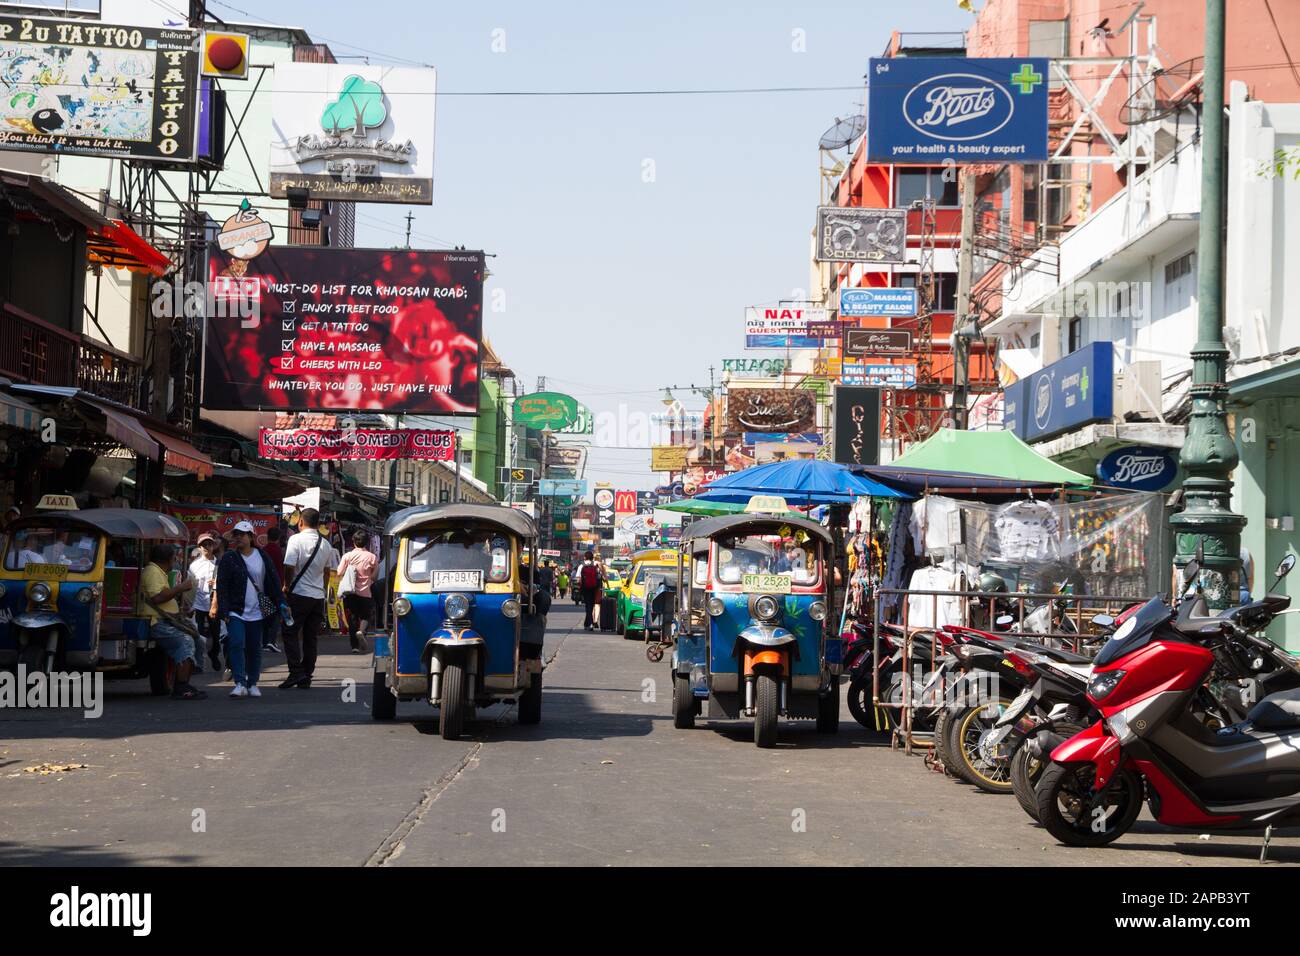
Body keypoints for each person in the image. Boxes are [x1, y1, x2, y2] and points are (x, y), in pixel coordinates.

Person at [216, 520, 283, 698]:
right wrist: (224, 610)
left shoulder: (262, 556)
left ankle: (252, 682)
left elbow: (274, 581)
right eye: (235, 535)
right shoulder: (229, 558)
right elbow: (221, 585)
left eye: (242, 534)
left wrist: (282, 602)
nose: (238, 538)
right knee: (236, 643)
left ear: (251, 537)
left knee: (254, 648)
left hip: (257, 611)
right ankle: (239, 683)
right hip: (235, 610)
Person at [280, 507, 338, 689]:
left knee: (289, 632)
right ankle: (306, 674)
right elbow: (327, 571)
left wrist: (286, 586)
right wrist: (322, 588)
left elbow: (289, 566)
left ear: (300, 522)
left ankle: (296, 672)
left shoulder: (295, 539)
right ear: (318, 523)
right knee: (310, 637)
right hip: (317, 597)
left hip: (299, 594)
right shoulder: (326, 544)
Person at [139, 543, 205, 701]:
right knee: (186, 642)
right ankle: (181, 687)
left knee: (197, 639)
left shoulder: (158, 571)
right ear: (169, 559)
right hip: (158, 622)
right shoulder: (153, 572)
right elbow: (158, 597)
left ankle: (186, 680)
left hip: (168, 619)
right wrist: (180, 587)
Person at [337, 529, 378, 654]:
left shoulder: (347, 556)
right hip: (366, 592)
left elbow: (339, 572)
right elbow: (374, 577)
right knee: (366, 616)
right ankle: (362, 631)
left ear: (353, 541)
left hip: (350, 593)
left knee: (352, 619)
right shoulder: (372, 557)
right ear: (367, 542)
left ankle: (354, 646)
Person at [189, 532, 220, 671]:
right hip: (198, 604)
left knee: (216, 635)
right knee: (199, 635)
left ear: (214, 546)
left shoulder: (219, 564)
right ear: (199, 547)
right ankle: (198, 663)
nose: (207, 547)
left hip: (214, 604)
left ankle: (214, 653)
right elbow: (189, 585)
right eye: (204, 545)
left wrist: (216, 583)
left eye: (209, 544)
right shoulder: (194, 566)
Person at [261, 525, 286, 654]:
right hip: (276, 587)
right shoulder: (278, 551)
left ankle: (264, 642)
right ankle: (271, 640)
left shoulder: (263, 550)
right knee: (277, 614)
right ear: (278, 538)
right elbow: (281, 571)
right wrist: (283, 585)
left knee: (265, 614)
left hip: (264, 587)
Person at [578, 550, 604, 631]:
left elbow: (578, 579)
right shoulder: (596, 564)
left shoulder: (581, 566)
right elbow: (600, 576)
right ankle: (588, 623)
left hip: (585, 588)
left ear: (585, 557)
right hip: (594, 588)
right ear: (592, 557)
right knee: (591, 605)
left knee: (588, 606)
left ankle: (589, 624)